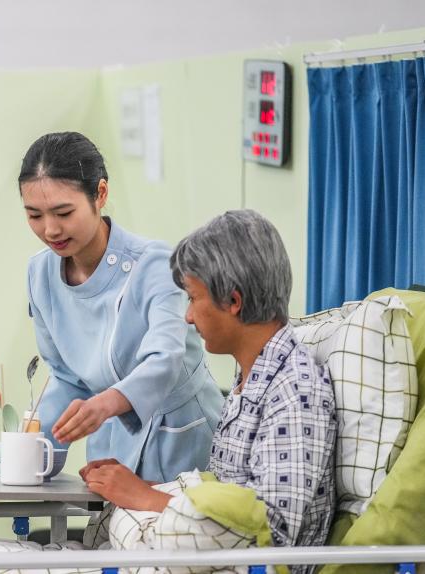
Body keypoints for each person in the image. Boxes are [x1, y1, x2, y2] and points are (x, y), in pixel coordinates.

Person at [82, 210, 337, 570]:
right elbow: (224, 495)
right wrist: (139, 487)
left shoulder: (294, 391)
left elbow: (272, 530)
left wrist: (146, 499)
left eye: (192, 298)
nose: (187, 316)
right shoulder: (252, 379)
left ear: (233, 301)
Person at [21, 132, 223, 482]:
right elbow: (67, 377)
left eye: (63, 212)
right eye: (34, 215)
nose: (50, 229)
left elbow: (166, 358)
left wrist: (105, 404)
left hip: (180, 438)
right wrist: (33, 448)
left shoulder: (154, 264)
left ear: (100, 194)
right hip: (111, 442)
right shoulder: (40, 274)